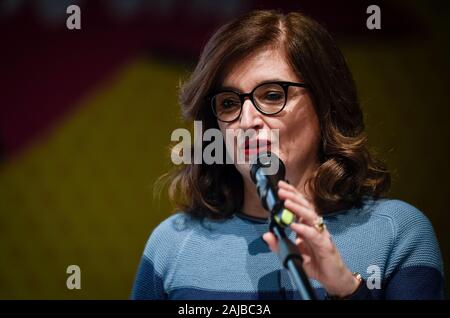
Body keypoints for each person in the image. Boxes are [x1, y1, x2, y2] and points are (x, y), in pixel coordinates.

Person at [131, 10, 445, 300]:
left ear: (324, 105)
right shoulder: (172, 246)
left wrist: (346, 290)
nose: (247, 119)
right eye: (228, 103)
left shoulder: (397, 232)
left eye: (271, 95)